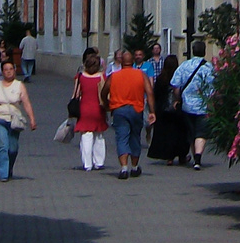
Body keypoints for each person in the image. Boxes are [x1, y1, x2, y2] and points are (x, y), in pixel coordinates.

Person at [102, 49, 155, 178]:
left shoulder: (114, 76)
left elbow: (103, 92)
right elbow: (149, 92)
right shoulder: (141, 75)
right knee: (135, 137)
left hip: (119, 110)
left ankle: (124, 168)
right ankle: (135, 167)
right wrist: (152, 111)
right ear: (132, 62)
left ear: (121, 62)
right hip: (136, 109)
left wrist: (106, 104)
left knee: (122, 137)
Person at [0, 57, 36, 181]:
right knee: (2, 147)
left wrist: (32, 119)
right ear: (2, 72)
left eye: (10, 69)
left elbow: (26, 103)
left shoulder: (19, 86)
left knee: (13, 149)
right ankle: (3, 175)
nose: (8, 72)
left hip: (14, 121)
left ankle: (9, 168)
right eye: (5, 70)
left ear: (14, 70)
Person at [171, 38, 214, 170]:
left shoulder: (184, 66)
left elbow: (175, 85)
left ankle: (195, 155)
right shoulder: (208, 67)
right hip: (203, 105)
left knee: (191, 132)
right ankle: (198, 158)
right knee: (201, 133)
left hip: (187, 105)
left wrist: (177, 99)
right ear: (204, 52)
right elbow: (213, 87)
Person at [72, 50, 108, 171]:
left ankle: (87, 164)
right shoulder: (102, 77)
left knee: (86, 137)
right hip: (98, 109)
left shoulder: (81, 77)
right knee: (99, 135)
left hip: (85, 108)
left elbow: (76, 94)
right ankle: (99, 162)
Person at [147, 54, 184, 164]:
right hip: (176, 109)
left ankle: (169, 157)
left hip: (162, 110)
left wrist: (153, 109)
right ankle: (181, 155)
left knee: (165, 134)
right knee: (179, 133)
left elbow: (156, 94)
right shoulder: (178, 78)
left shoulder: (160, 78)